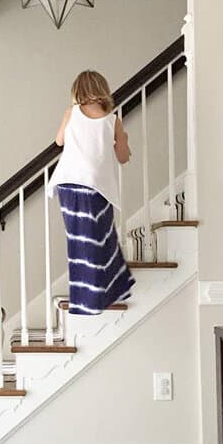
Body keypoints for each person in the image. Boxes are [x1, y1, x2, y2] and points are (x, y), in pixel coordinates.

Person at [47, 70, 135, 315]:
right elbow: (123, 157)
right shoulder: (112, 120)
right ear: (102, 90)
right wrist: (123, 139)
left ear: (77, 91)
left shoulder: (71, 113)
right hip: (96, 187)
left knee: (79, 242)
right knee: (101, 238)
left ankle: (91, 296)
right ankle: (101, 294)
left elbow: (59, 141)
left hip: (69, 184)